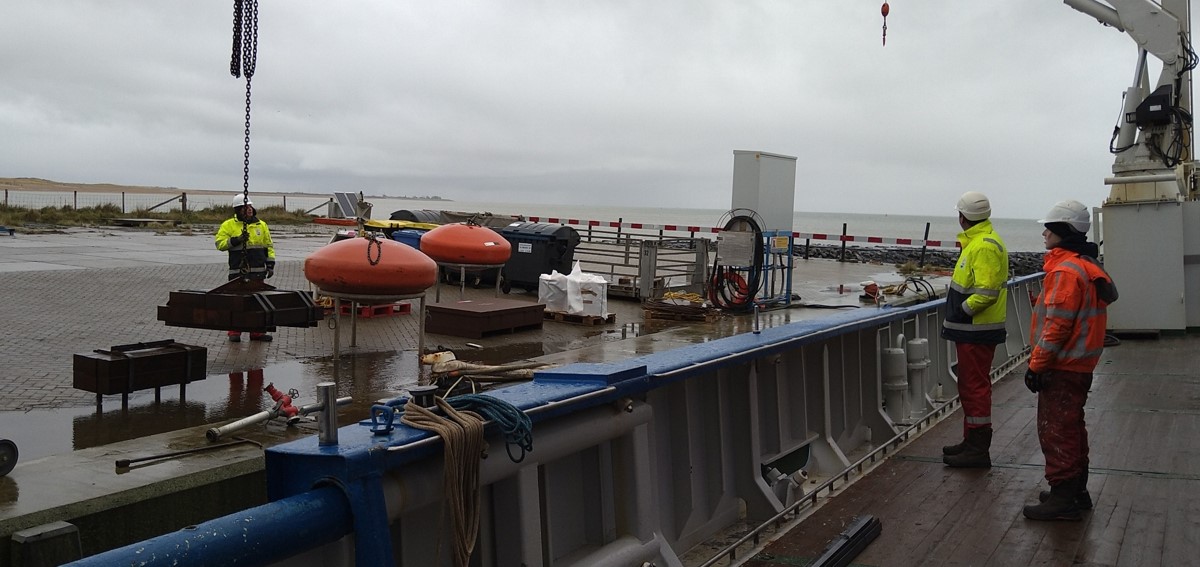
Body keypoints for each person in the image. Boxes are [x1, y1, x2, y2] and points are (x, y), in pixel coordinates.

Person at [1023, 200, 1116, 521]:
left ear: (1064, 230)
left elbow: (1058, 326)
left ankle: (1063, 497)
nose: (1044, 233)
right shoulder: (1085, 265)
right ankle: (1076, 491)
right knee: (1073, 427)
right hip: (1080, 364)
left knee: (1056, 430)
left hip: (1062, 366)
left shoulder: (1065, 271)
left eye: (1049, 228)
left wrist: (1036, 365)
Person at [941, 191, 1009, 468]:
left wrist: (961, 311)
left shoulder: (982, 246)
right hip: (973, 330)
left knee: (974, 387)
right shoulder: (979, 242)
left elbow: (986, 293)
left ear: (963, 217)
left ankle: (978, 450)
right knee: (970, 386)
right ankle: (971, 441)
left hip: (976, 330)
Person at [214, 193, 276, 342]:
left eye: (250, 206)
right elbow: (220, 244)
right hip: (238, 272)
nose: (249, 209)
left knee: (257, 303)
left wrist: (270, 264)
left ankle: (257, 333)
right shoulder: (228, 225)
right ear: (238, 209)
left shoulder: (261, 225)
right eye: (245, 207)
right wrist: (236, 240)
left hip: (258, 272)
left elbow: (268, 246)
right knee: (237, 303)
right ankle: (234, 332)